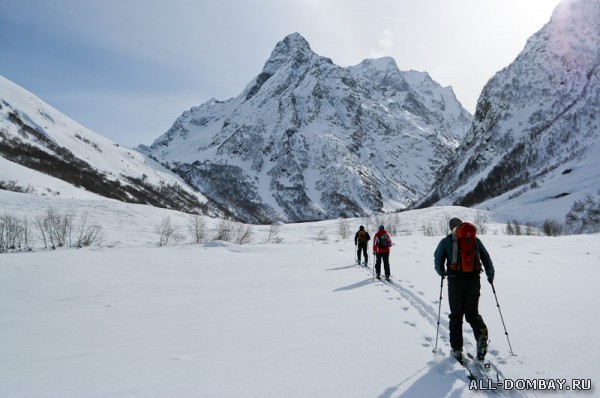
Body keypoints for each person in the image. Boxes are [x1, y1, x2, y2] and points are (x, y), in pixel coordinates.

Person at [434, 217, 495, 362]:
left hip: (455, 281)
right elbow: (486, 257)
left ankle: (456, 349)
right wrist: (490, 274)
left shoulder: (446, 241)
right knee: (473, 314)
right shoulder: (474, 240)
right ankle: (481, 337)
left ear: (450, 228)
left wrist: (442, 272)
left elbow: (438, 260)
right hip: (474, 280)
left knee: (456, 316)